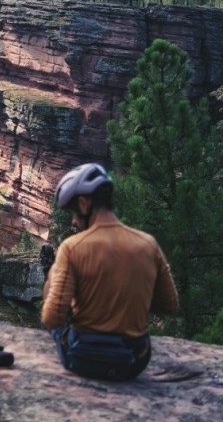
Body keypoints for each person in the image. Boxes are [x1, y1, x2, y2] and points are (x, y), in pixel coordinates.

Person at [40, 163, 179, 381]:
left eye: (73, 213)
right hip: (134, 361)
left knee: (58, 317)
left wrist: (54, 278)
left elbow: (51, 318)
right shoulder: (148, 244)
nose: (74, 221)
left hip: (85, 359)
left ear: (84, 204)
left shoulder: (73, 247)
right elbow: (170, 304)